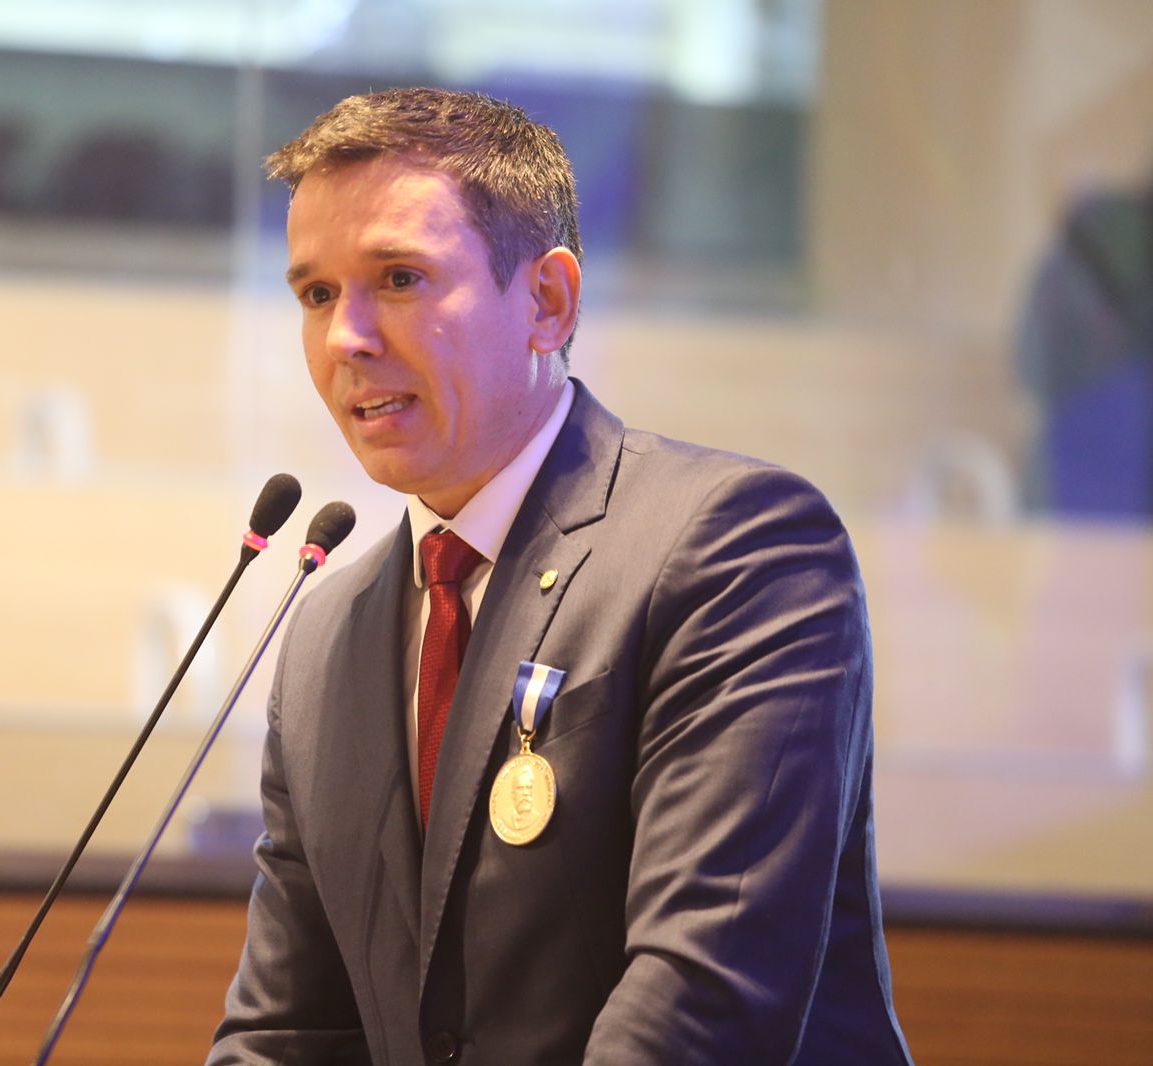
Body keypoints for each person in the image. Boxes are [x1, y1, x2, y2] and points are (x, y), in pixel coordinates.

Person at [209, 88, 913, 1065]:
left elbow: (702, 1001)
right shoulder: (328, 635)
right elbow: (287, 1031)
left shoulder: (736, 550)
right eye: (317, 294)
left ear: (547, 301)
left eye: (399, 279)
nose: (345, 339)